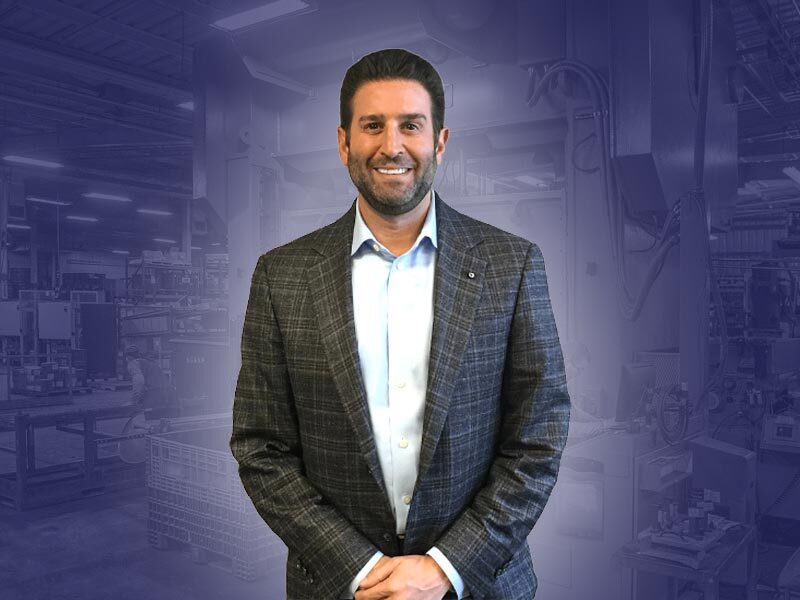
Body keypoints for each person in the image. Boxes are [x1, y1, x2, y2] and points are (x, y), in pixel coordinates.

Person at [230, 48, 571, 600]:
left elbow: (539, 437)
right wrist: (362, 569)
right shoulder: (282, 276)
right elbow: (260, 447)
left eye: (411, 125)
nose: (392, 146)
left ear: (440, 142)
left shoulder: (512, 264)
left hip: (478, 585)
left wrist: (445, 567)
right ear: (344, 143)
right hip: (341, 587)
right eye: (372, 126)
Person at [124, 346, 172, 419]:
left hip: (154, 394)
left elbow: (139, 382)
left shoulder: (133, 363)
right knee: (162, 419)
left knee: (149, 419)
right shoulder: (148, 362)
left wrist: (133, 401)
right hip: (168, 393)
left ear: (128, 357)